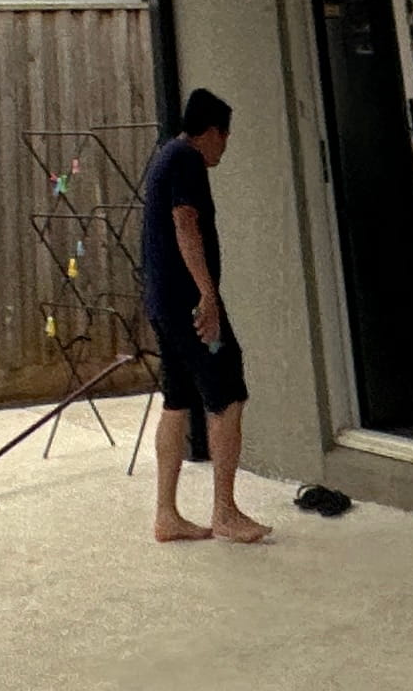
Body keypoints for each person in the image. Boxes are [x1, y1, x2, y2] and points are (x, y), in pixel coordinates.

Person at [141, 84, 269, 545]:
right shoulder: (188, 160)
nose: (224, 149)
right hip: (188, 303)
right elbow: (185, 221)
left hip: (161, 301)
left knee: (177, 400)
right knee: (227, 392)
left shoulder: (164, 156)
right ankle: (225, 512)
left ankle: (166, 516)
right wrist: (207, 296)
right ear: (213, 131)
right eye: (225, 138)